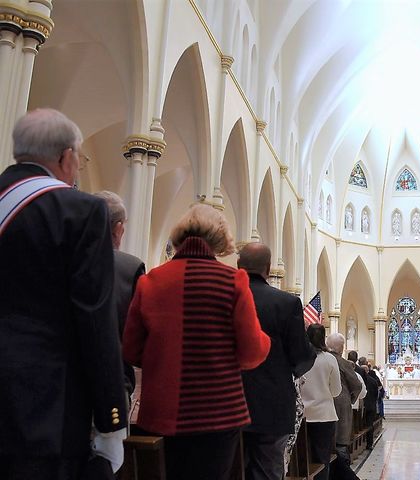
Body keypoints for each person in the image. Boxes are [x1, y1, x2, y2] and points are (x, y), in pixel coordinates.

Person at [0, 109, 128, 479]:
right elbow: (94, 318)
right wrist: (110, 421)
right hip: (43, 407)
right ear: (66, 157)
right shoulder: (81, 212)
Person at [122, 204, 271, 480]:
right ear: (220, 239)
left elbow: (131, 349)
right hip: (218, 414)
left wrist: (166, 356)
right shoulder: (233, 281)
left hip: (160, 413)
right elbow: (251, 353)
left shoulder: (151, 281)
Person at [237, 242, 316, 480]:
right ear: (269, 268)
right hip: (272, 406)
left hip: (228, 403)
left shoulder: (224, 297)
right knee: (268, 471)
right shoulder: (286, 303)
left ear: (239, 265)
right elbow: (301, 357)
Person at [93, 190, 145, 397]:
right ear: (118, 228)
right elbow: (137, 330)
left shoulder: (60, 258)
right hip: (111, 376)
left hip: (62, 376)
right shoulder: (130, 267)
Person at [301, 324, 342, 480]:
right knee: (322, 460)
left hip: (302, 416)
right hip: (324, 416)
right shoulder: (329, 359)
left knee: (301, 460)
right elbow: (336, 391)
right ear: (323, 338)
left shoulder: (299, 358)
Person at [326, 333, 362, 480]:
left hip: (320, 410)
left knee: (327, 447)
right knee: (340, 446)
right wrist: (350, 399)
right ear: (341, 348)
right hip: (340, 409)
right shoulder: (342, 362)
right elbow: (357, 385)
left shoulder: (317, 359)